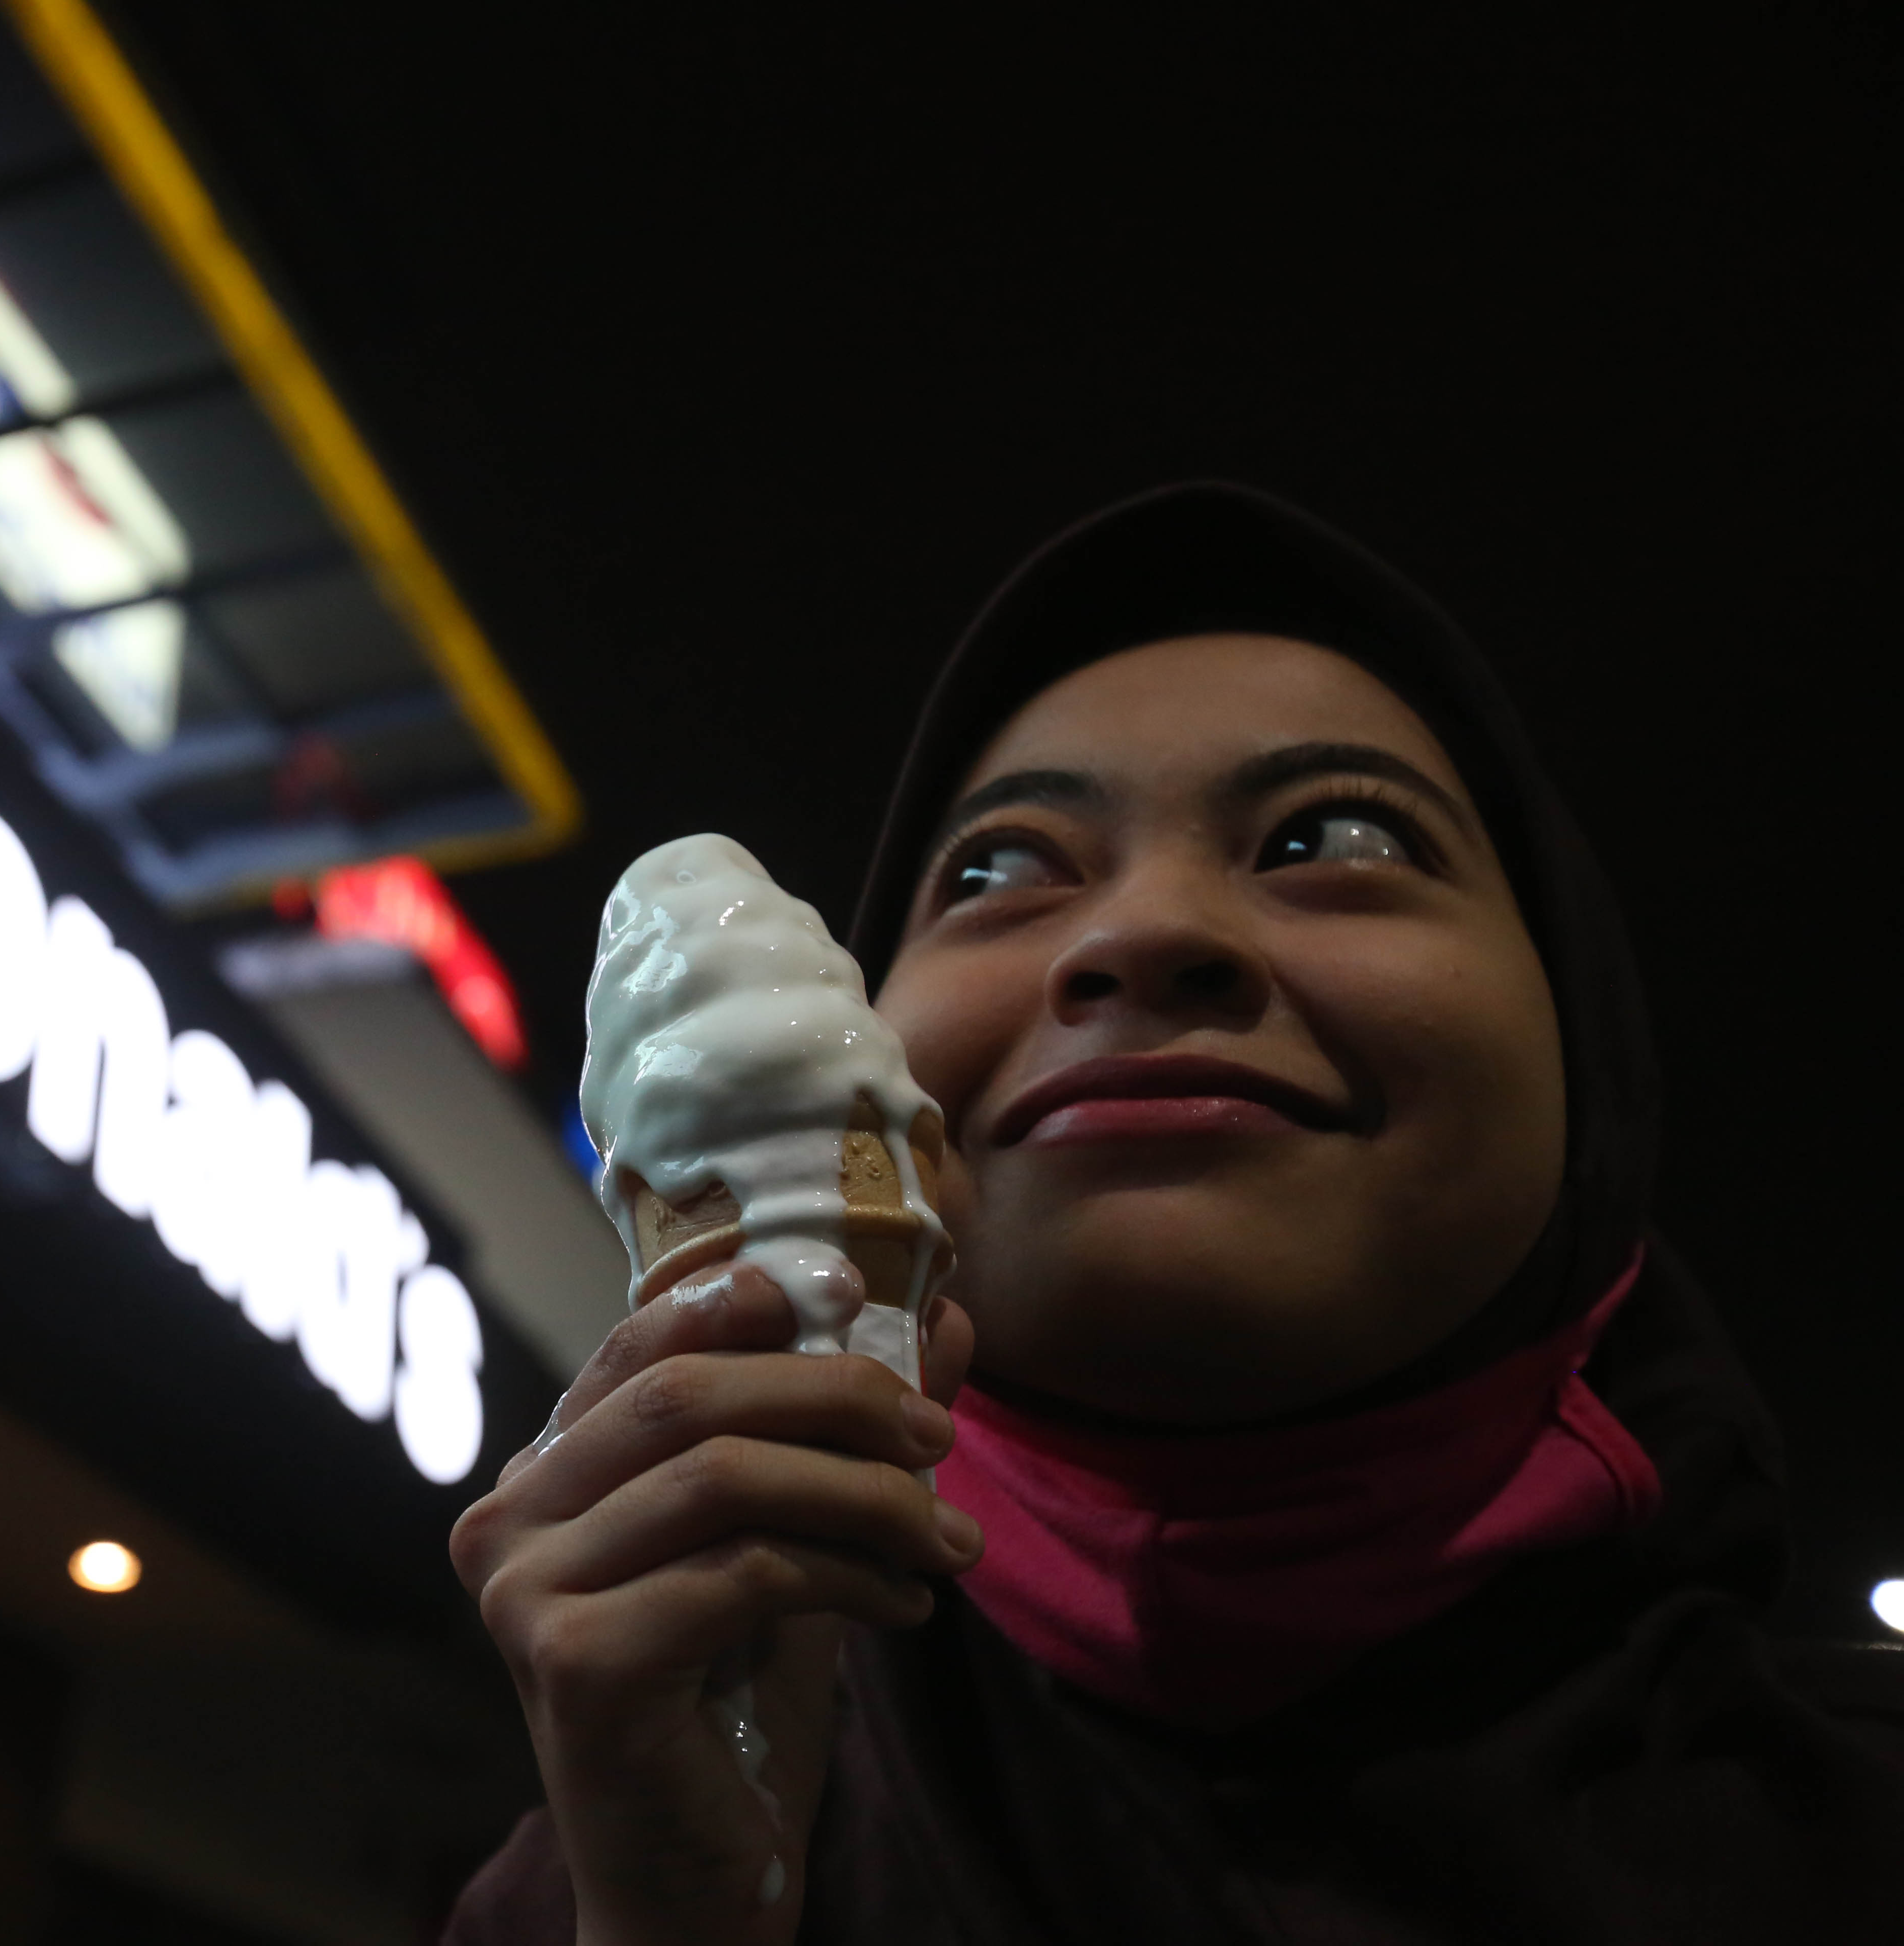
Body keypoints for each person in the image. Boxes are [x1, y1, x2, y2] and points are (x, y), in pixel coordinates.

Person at [442, 484, 1904, 1944]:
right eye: (1000, 870)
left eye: (1330, 837)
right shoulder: (597, 1885)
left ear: (1586, 1048)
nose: (1144, 934)